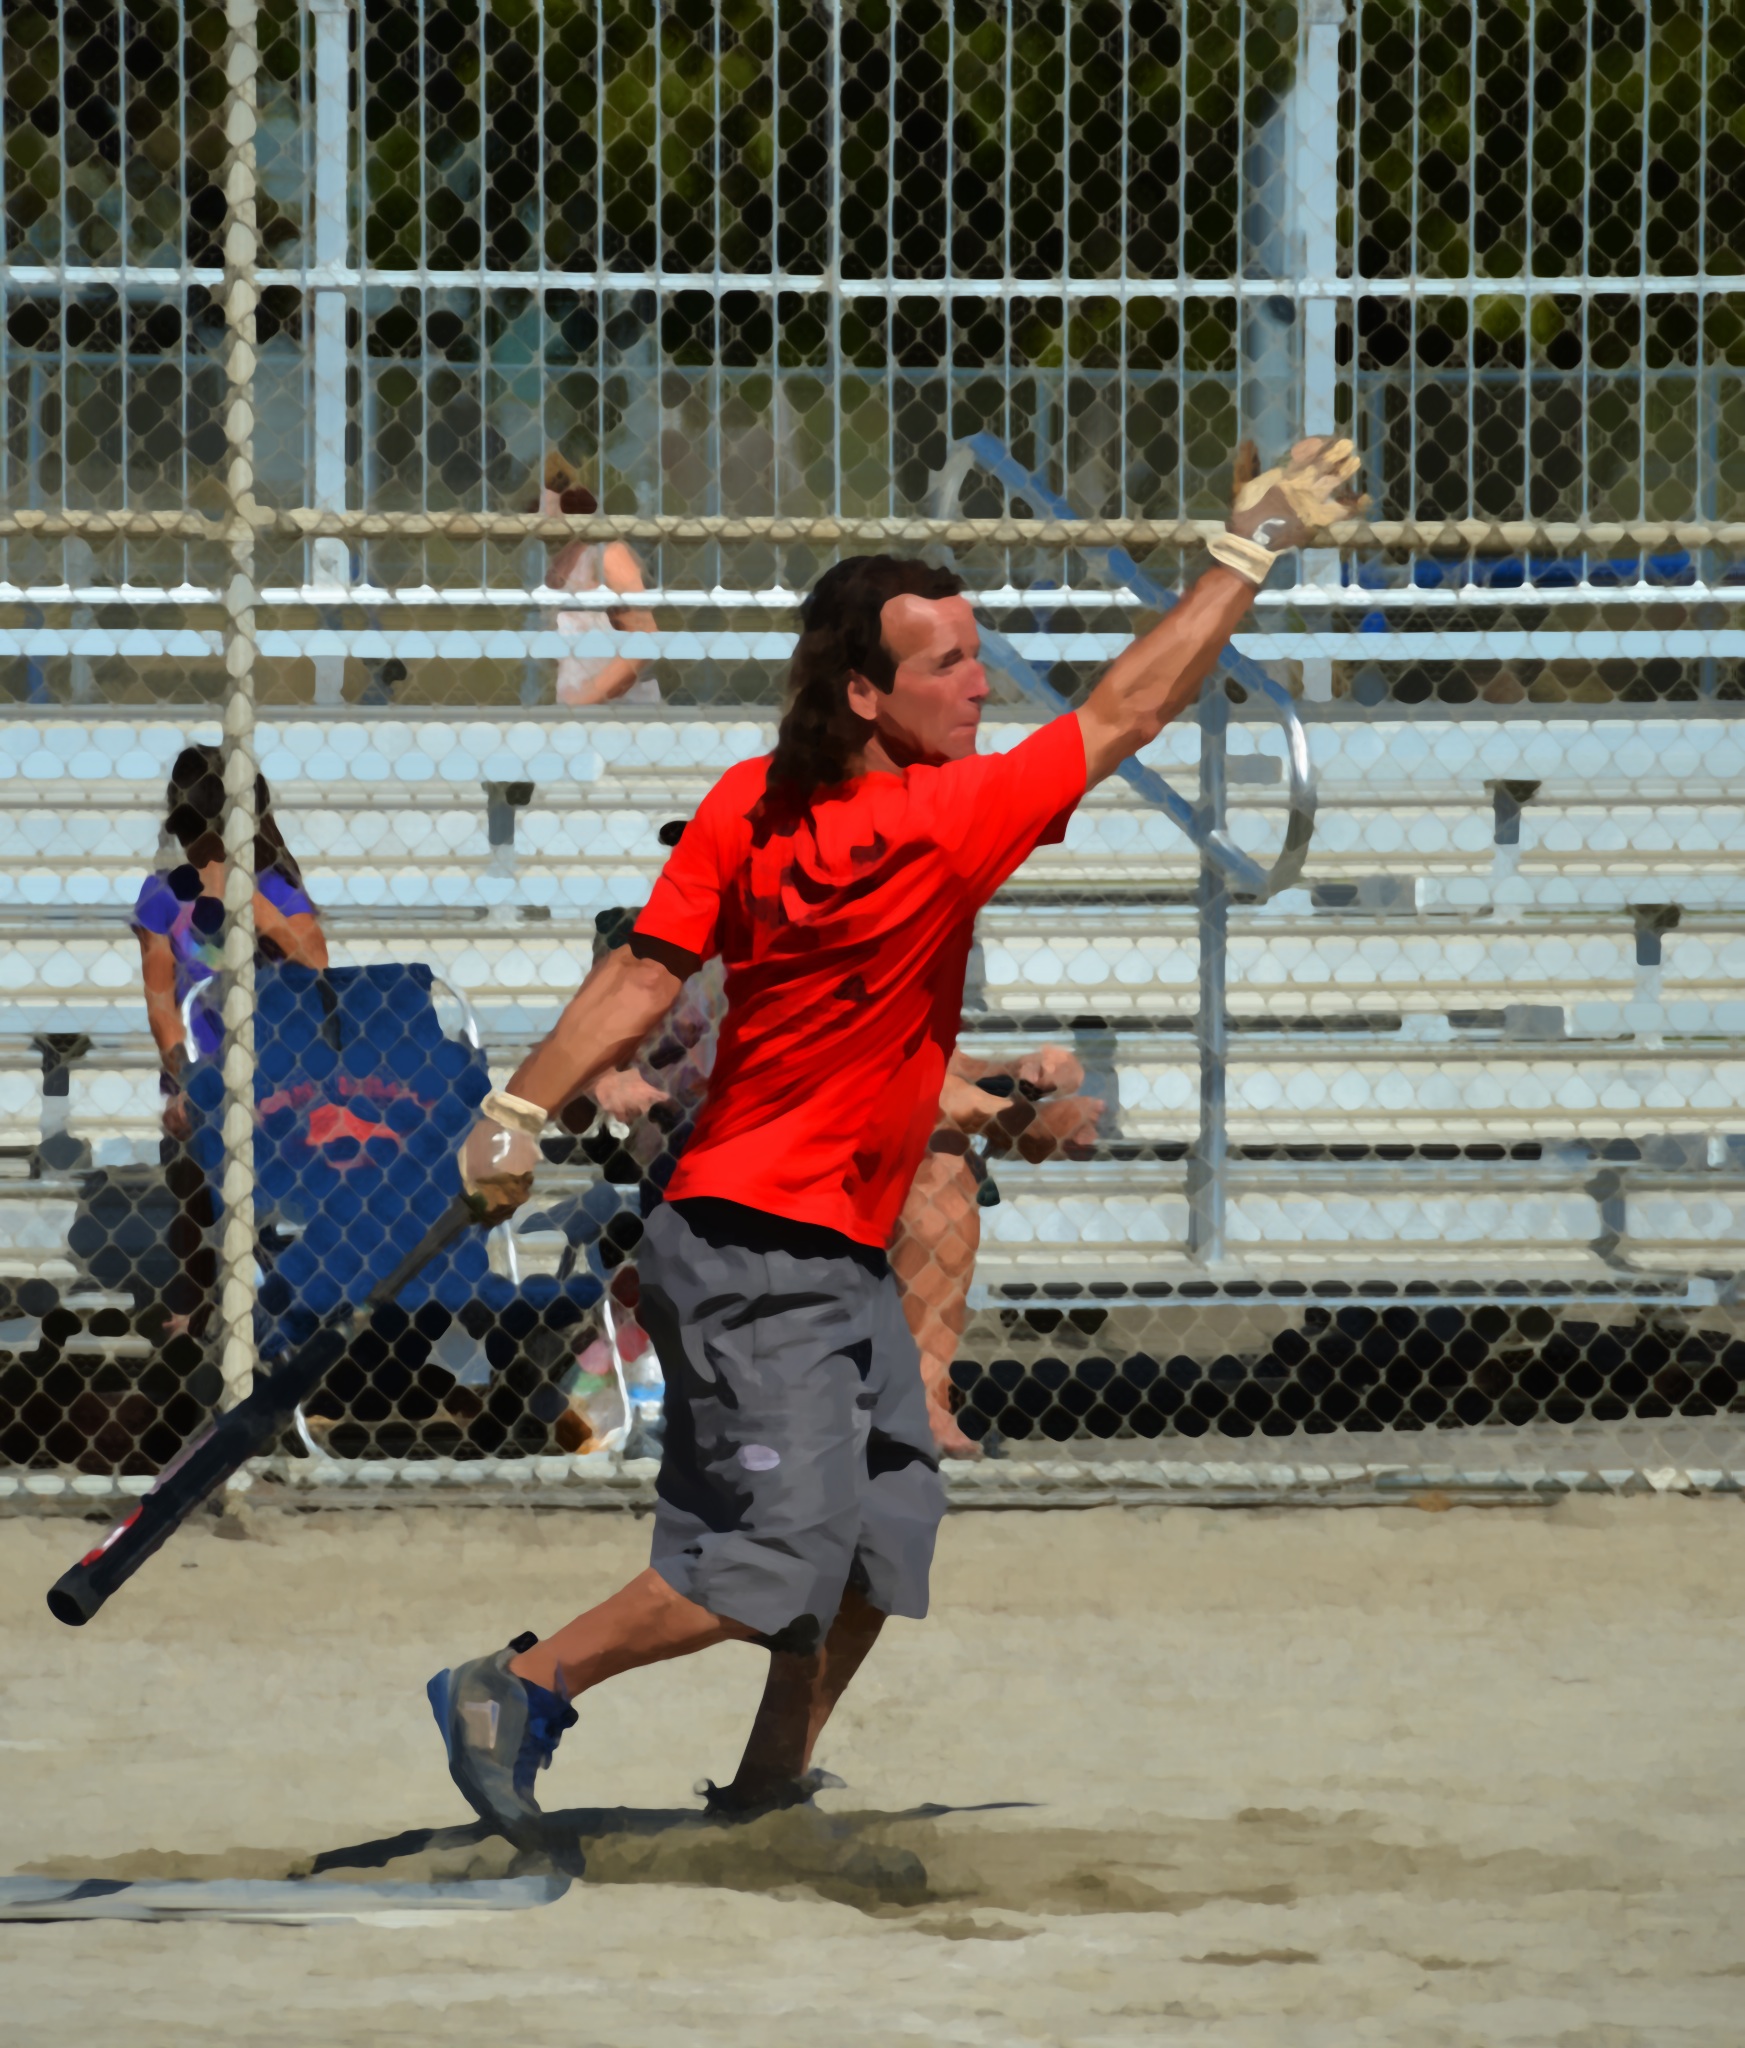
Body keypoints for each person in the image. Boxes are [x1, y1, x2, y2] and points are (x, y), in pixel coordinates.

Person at [427, 436, 1363, 1844]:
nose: (980, 683)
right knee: (766, 1566)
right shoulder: (939, 820)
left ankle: (759, 1797)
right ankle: (516, 1687)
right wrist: (1244, 555)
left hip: (829, 1245)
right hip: (753, 1249)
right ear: (866, 695)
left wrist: (516, 1112)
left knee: (875, 1539)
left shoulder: (753, 794)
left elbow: (722, 1005)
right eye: (947, 666)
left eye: (976, 656)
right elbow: (1125, 712)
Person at [565, 908, 1101, 1461]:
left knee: (939, 1167)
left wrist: (1020, 1066)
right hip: (707, 1147)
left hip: (837, 1129)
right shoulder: (640, 941)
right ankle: (1014, 1123)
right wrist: (604, 1079)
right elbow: (571, 1079)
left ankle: (919, 1408)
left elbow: (933, 1054)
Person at [134, 746, 328, 1340]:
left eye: (209, 834)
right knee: (193, 1180)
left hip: (280, 1064)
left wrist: (246, 897)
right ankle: (197, 1299)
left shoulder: (276, 888)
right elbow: (160, 998)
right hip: (205, 1061)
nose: (200, 849)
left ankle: (290, 1290)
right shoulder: (163, 895)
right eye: (189, 833)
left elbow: (316, 960)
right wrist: (182, 1076)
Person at [539, 452, 661, 705]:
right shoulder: (562, 559)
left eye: (555, 486)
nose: (543, 499)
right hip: (578, 724)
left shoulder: (607, 553)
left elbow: (644, 636)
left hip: (619, 720)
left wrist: (585, 699)